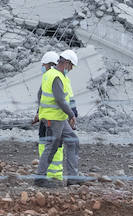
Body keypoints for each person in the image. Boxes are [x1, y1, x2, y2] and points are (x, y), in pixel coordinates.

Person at [35, 49, 84, 187]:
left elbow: (40, 94)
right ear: (67, 63)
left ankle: (73, 179)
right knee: (52, 146)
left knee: (73, 141)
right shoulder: (56, 76)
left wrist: (41, 110)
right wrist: (71, 114)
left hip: (59, 118)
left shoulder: (52, 75)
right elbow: (60, 100)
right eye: (72, 66)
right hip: (54, 118)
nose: (72, 69)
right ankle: (40, 179)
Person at [32, 51, 64, 181]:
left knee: (52, 145)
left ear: (50, 65)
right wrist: (39, 113)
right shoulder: (48, 78)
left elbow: (59, 100)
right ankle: (47, 173)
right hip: (48, 118)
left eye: (44, 65)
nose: (42, 67)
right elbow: (43, 98)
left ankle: (52, 174)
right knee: (47, 144)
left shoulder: (55, 78)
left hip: (53, 119)